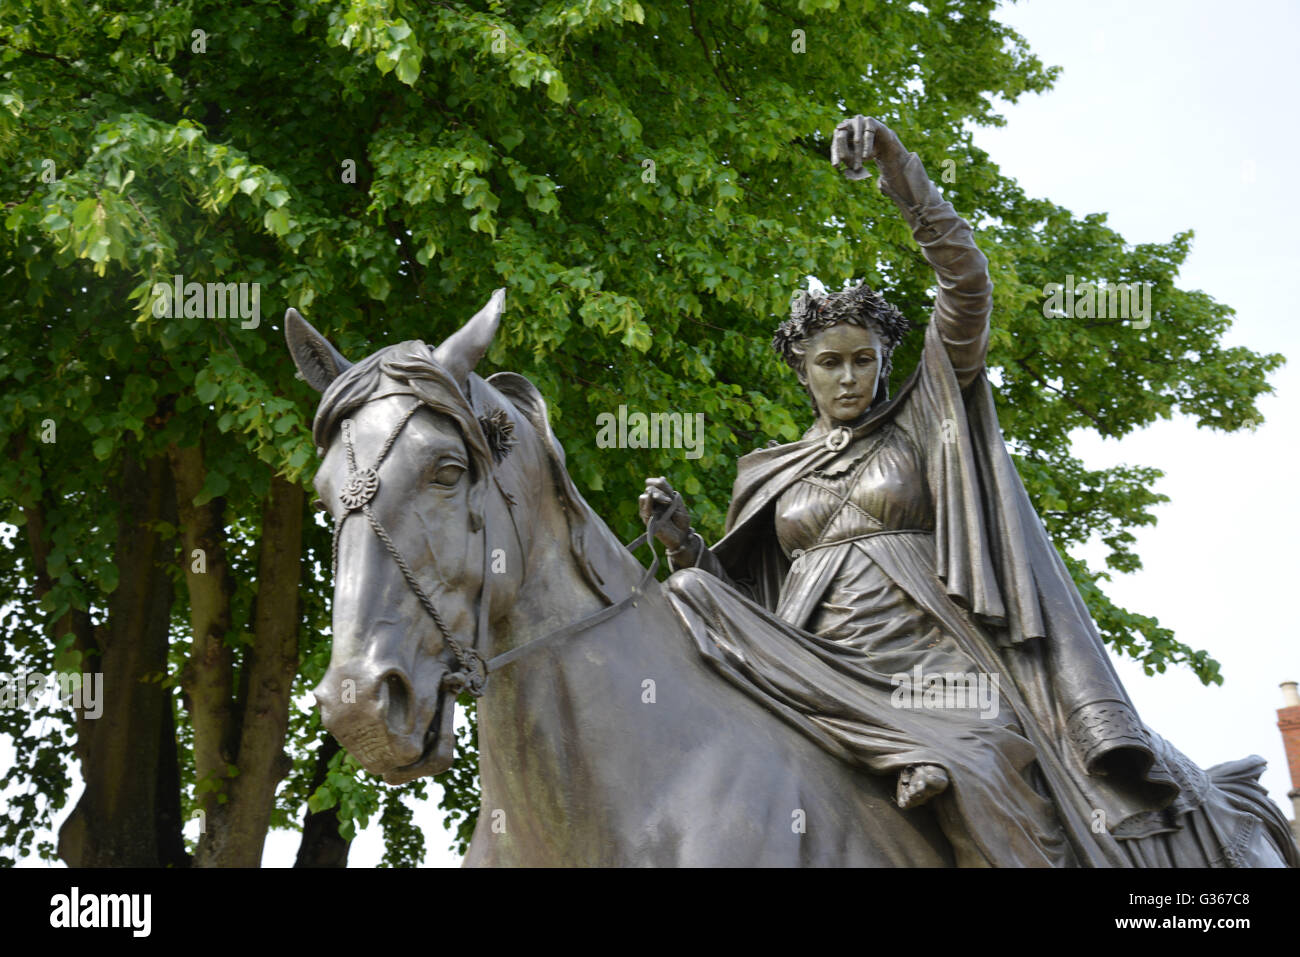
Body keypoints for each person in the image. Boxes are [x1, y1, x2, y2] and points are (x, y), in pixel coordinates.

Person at [641, 116, 1297, 867]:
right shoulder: (771, 469)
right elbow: (751, 599)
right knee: (691, 595)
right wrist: (683, 542)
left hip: (936, 669)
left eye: (864, 359)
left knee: (983, 750)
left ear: (887, 360)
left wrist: (898, 171)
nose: (850, 376)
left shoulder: (925, 415)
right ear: (803, 370)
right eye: (831, 363)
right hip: (814, 664)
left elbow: (966, 281)